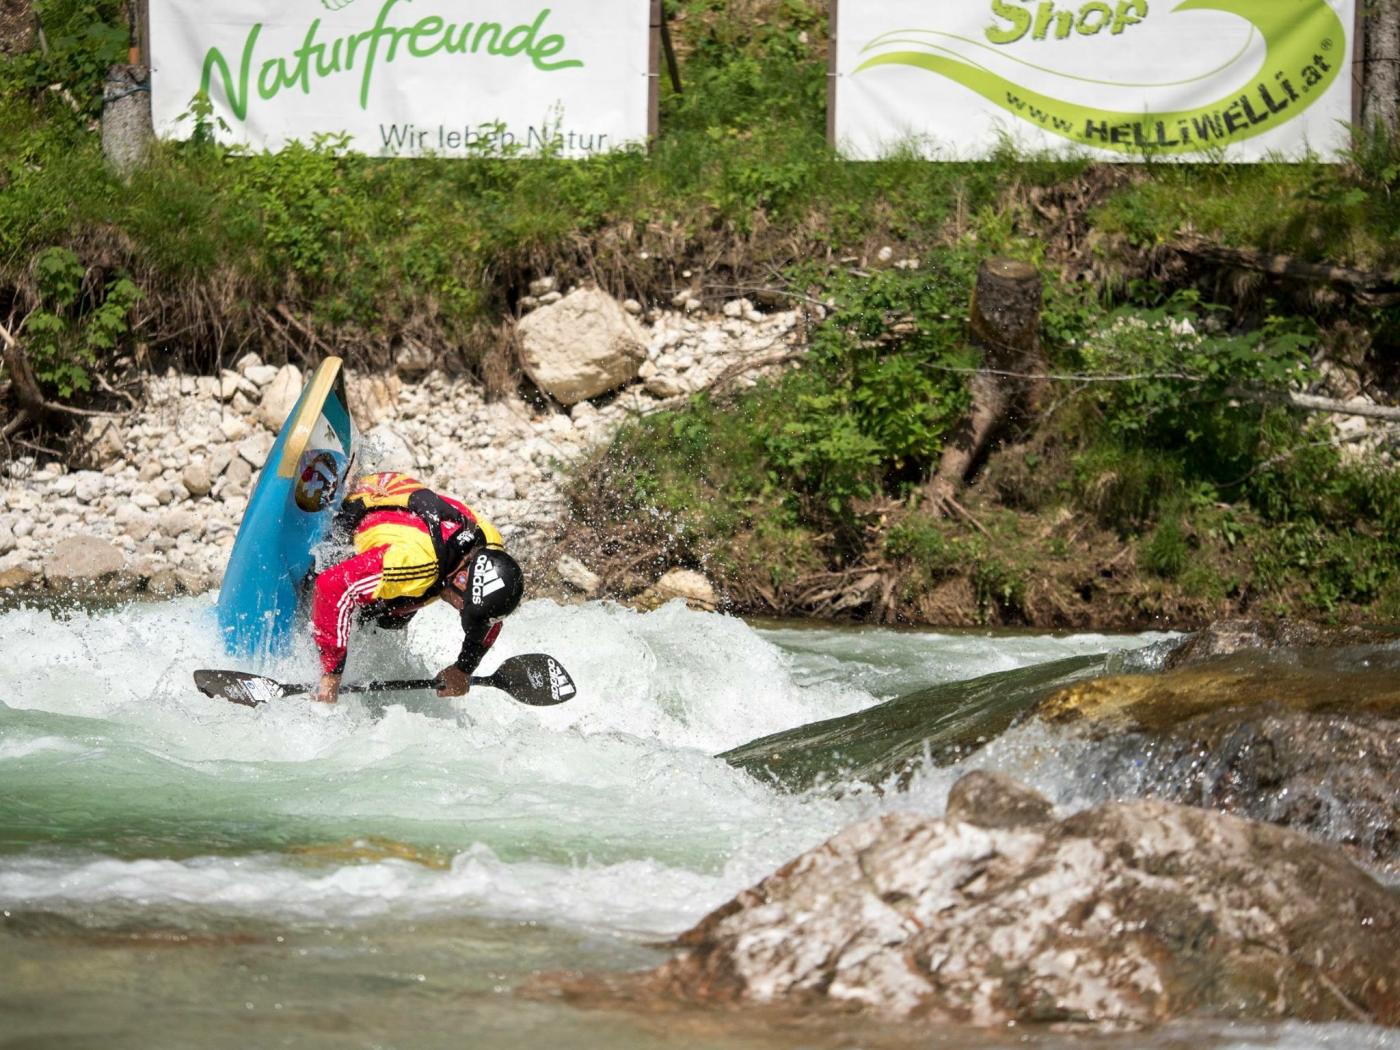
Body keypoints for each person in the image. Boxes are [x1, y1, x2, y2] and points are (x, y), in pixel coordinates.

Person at [297, 461, 524, 704]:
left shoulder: (490, 548)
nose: (462, 610)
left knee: (393, 618)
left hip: (403, 499)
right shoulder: (416, 565)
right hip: (364, 501)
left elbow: (488, 617)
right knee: (362, 602)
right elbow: (332, 586)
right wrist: (331, 675)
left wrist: (463, 668)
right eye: (463, 607)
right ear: (460, 580)